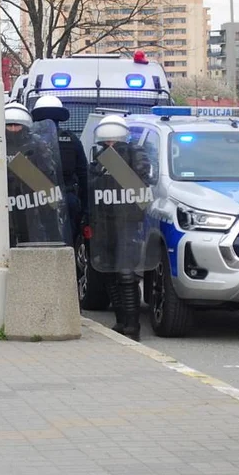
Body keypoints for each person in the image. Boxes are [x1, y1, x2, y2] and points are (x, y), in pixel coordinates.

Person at [87, 115, 152, 341]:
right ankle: (121, 321)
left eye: (115, 141)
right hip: (104, 221)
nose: (111, 145)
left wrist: (116, 165)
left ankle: (132, 326)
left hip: (129, 222)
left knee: (126, 274)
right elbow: (92, 187)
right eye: (107, 142)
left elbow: (142, 187)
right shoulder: (97, 160)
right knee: (109, 272)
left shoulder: (136, 155)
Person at [3, 102, 71, 246]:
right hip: (4, 207)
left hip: (33, 206)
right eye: (10, 125)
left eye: (17, 125)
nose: (13, 129)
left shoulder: (37, 145)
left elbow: (48, 178)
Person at [32, 95, 87, 243]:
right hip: (65, 199)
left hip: (36, 200)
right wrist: (85, 209)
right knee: (67, 241)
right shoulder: (72, 140)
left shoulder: (29, 141)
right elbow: (83, 175)